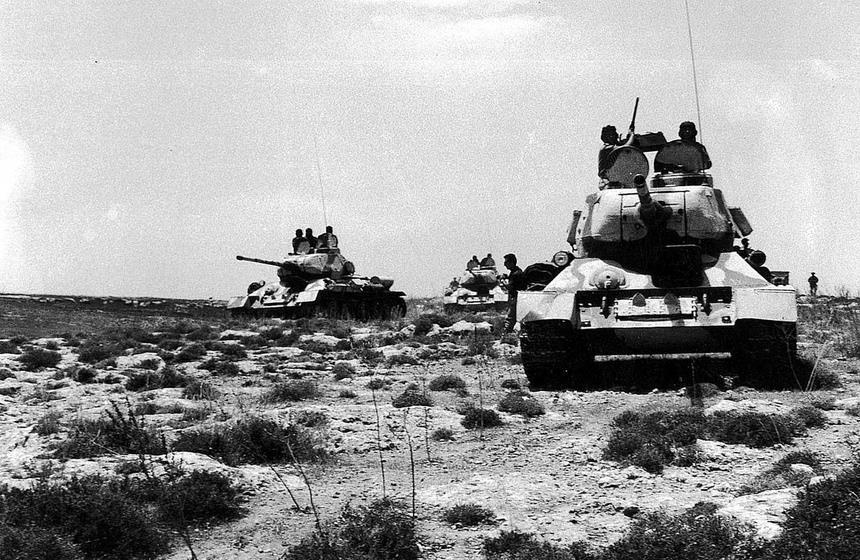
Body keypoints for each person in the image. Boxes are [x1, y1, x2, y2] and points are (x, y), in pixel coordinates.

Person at [502, 253, 525, 333]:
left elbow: (510, 287)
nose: (504, 264)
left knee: (510, 319)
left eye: (506, 262)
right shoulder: (516, 272)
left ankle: (506, 335)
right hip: (518, 299)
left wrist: (502, 281)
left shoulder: (516, 274)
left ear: (511, 262)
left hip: (516, 299)